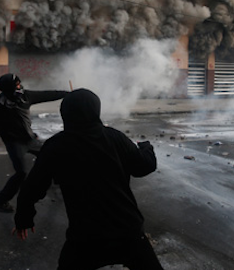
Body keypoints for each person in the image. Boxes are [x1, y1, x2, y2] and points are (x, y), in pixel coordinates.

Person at [13, 88, 164, 270]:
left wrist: (23, 219)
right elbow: (144, 166)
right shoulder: (115, 138)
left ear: (65, 113)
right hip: (127, 231)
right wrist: (146, 148)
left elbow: (32, 188)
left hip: (86, 237)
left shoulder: (56, 146)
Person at [0, 65, 68, 213]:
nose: (20, 86)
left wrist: (67, 94)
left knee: (52, 157)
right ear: (9, 88)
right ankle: (0, 202)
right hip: (14, 143)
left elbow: (48, 94)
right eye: (17, 84)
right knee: (21, 173)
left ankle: (56, 183)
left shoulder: (26, 96)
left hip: (30, 139)